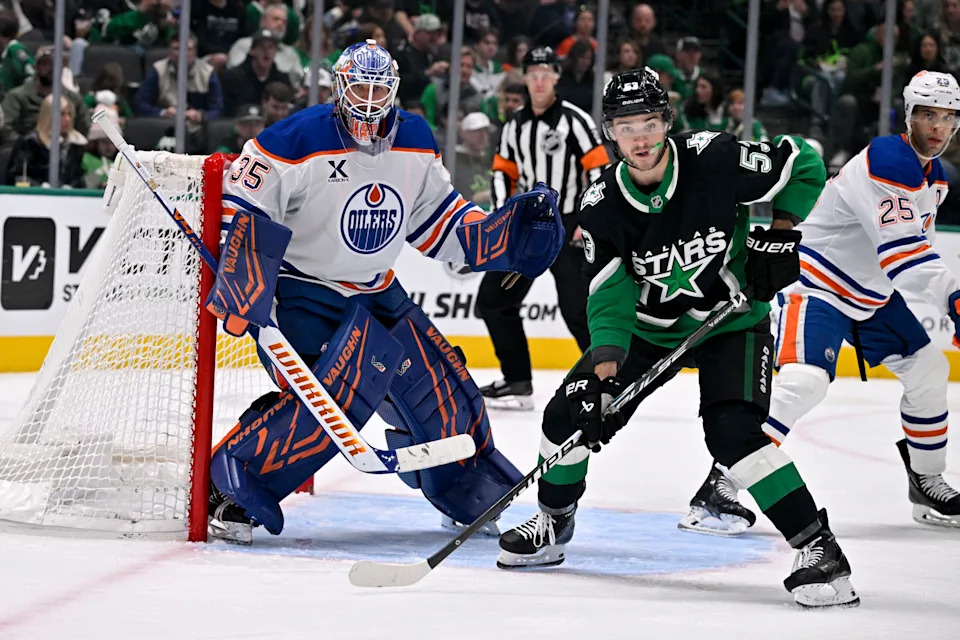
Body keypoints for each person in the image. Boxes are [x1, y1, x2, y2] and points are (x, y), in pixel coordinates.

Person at [496, 67, 860, 610]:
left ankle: (818, 547)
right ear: (609, 133)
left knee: (734, 432)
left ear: (667, 121)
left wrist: (783, 235)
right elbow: (610, 299)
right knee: (566, 418)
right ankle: (554, 520)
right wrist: (602, 380)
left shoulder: (714, 158)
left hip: (731, 320)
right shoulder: (602, 207)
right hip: (650, 331)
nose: (638, 139)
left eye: (648, 122)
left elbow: (804, 161)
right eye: (624, 126)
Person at [205, 40, 566, 546]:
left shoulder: (415, 138)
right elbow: (240, 205)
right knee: (334, 397)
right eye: (360, 88)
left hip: (378, 289)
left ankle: (464, 484)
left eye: (380, 89)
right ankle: (232, 487)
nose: (370, 102)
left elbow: (437, 220)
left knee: (444, 389)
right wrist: (246, 280)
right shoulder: (293, 139)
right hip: (306, 291)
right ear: (339, 88)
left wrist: (497, 238)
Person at [685, 71, 960, 533]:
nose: (937, 127)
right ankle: (719, 484)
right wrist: (954, 297)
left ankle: (927, 480)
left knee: (930, 370)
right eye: (927, 114)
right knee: (804, 383)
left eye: (948, 117)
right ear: (908, 115)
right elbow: (903, 255)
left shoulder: (935, 177)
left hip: (871, 296)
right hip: (817, 285)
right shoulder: (889, 159)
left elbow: (910, 250)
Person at [478, 47, 609, 410]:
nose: (538, 81)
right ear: (525, 78)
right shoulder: (514, 124)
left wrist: (587, 219)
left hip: (569, 225)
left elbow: (599, 170)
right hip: (529, 227)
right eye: (532, 74)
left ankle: (609, 381)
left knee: (577, 310)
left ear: (556, 78)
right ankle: (518, 380)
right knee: (494, 300)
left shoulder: (576, 121)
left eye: (545, 74)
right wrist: (504, 215)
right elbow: (503, 172)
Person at [6, 94, 86, 187]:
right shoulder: (30, 143)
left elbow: (79, 177)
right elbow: (18, 176)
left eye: (70, 114)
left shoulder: (77, 144)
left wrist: (71, 186)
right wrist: (40, 186)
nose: (67, 119)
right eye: (62, 114)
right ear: (48, 115)